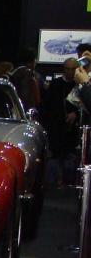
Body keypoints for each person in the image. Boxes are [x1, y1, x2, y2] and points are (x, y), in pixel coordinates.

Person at [40, 56, 81, 186]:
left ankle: (69, 185)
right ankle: (52, 188)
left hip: (73, 131)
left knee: (70, 161)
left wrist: (77, 114)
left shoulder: (80, 86)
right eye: (67, 69)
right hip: (55, 129)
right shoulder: (55, 84)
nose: (69, 72)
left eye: (72, 69)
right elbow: (47, 107)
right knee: (53, 160)